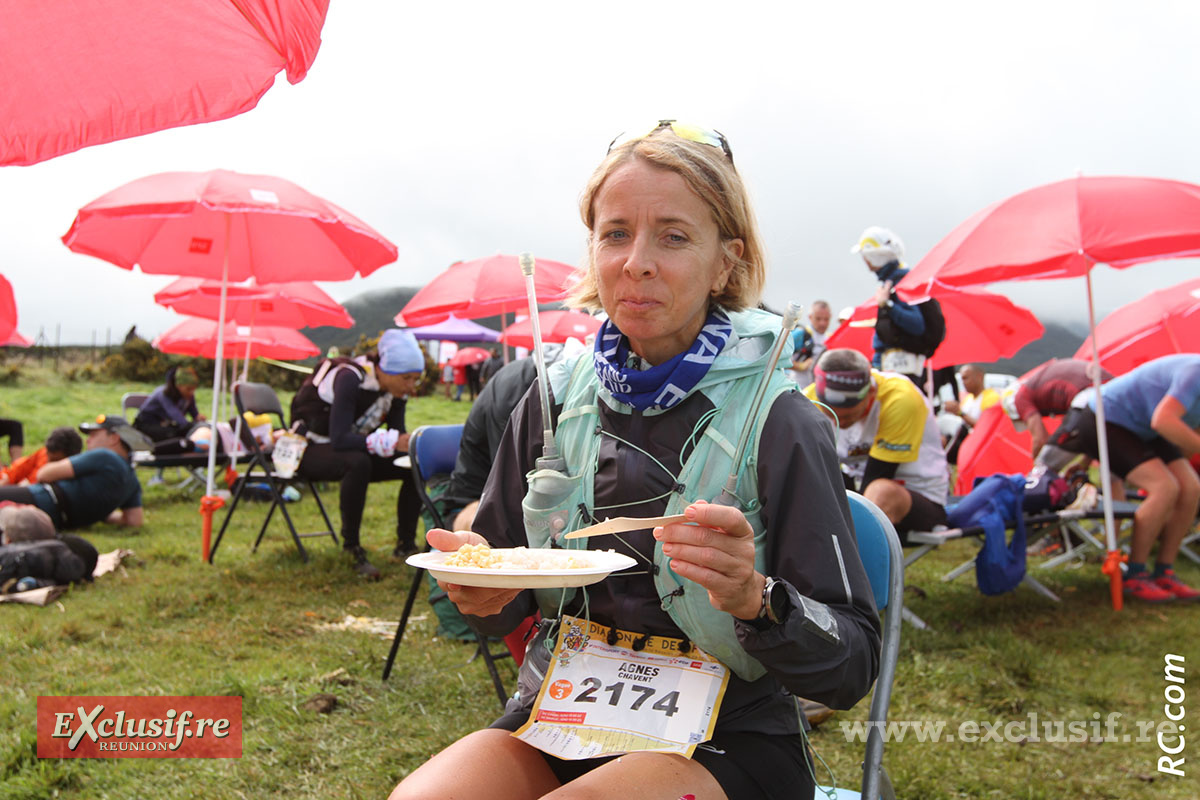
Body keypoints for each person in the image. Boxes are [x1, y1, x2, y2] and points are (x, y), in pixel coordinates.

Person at [392, 121, 880, 800]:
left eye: (674, 236)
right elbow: (502, 605)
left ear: (726, 262)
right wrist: (481, 586)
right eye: (615, 233)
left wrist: (757, 599)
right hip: (561, 718)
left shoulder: (782, 420)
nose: (636, 261)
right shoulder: (553, 400)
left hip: (727, 739)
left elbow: (851, 665)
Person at [1040, 354, 1200, 603]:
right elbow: (1164, 419)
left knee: (1190, 488)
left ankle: (1164, 571)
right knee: (1164, 488)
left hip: (1145, 426)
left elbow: (1187, 434)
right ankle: (1135, 574)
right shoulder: (1195, 372)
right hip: (1105, 418)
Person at [290, 329, 425, 580]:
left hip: (346, 447)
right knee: (358, 463)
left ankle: (406, 544)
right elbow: (340, 438)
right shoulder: (350, 378)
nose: (410, 386)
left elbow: (395, 435)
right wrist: (392, 441)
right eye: (406, 378)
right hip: (309, 449)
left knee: (414, 464)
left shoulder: (394, 392)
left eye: (415, 379)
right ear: (385, 370)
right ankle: (351, 548)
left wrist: (406, 444)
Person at [804, 348, 950, 543]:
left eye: (848, 415)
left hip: (916, 496)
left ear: (870, 393)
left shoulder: (900, 398)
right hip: (858, 484)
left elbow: (876, 479)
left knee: (881, 491)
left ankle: (853, 569)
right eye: (831, 414)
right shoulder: (808, 397)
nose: (840, 421)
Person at [0, 415, 148, 531]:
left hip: (41, 498)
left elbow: (43, 474)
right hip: (60, 521)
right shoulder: (132, 480)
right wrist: (100, 513)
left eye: (94, 435)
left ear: (114, 438)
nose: (88, 441)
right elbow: (133, 520)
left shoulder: (104, 456)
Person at [850, 226, 945, 390]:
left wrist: (886, 305)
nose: (865, 261)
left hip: (897, 365)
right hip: (898, 365)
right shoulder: (897, 280)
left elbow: (916, 324)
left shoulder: (899, 281)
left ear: (875, 256)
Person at [1004, 358, 1113, 458]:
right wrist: (1084, 464)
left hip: (1088, 395)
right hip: (1110, 392)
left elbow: (1040, 440)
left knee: (1047, 461)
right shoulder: (1038, 385)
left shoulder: (1021, 398)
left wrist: (1035, 471)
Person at [941, 364, 999, 464]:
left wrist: (959, 412)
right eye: (961, 379)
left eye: (966, 378)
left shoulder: (991, 397)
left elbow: (986, 428)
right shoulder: (968, 399)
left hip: (978, 448)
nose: (963, 383)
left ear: (979, 377)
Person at [133, 365, 205, 443]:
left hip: (164, 424)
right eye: (188, 389)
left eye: (194, 389)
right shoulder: (163, 394)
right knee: (176, 436)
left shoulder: (188, 396)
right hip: (146, 425)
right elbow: (179, 419)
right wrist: (196, 427)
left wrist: (199, 418)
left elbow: (194, 414)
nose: (191, 392)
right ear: (179, 386)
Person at [0, 427, 82, 485]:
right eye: (47, 457)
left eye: (55, 461)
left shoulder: (72, 479)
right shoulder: (44, 453)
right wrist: (7, 478)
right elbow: (18, 469)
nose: (48, 463)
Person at [786, 300, 831, 389]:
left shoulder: (830, 339)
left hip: (816, 391)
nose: (822, 323)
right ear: (810, 317)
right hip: (797, 387)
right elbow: (779, 358)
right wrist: (801, 366)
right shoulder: (800, 334)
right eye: (818, 319)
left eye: (826, 319)